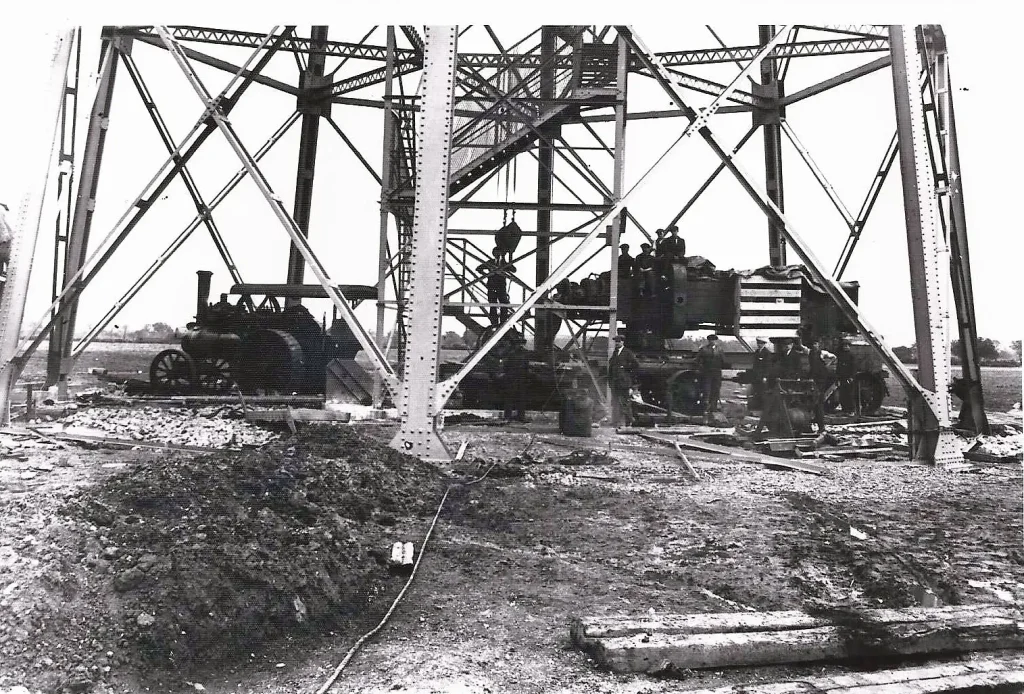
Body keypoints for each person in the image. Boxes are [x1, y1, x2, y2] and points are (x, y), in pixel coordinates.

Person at [608, 334, 639, 427]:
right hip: (615, 382)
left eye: (618, 341)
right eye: (616, 341)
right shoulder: (615, 353)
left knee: (625, 402)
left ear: (622, 342)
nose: (617, 343)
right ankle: (615, 422)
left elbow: (636, 365)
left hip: (624, 382)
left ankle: (629, 421)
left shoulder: (627, 352)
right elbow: (611, 368)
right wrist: (610, 381)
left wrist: (625, 368)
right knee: (615, 402)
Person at [478, 247, 515, 325]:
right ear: (493, 254)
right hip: (492, 286)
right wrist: (487, 274)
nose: (498, 255)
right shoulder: (490, 262)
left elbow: (514, 270)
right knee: (492, 305)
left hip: (501, 287)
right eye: (496, 253)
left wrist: (508, 263)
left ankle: (503, 322)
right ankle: (494, 323)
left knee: (504, 304)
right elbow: (478, 268)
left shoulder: (504, 263)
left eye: (499, 253)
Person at [500, 333, 529, 422]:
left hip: (519, 378)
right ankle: (509, 417)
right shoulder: (512, 354)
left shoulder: (523, 353)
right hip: (513, 378)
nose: (521, 345)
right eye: (519, 343)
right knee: (511, 398)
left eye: (522, 343)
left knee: (520, 398)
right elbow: (506, 366)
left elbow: (526, 366)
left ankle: (519, 416)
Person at [697, 333, 727, 418]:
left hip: (717, 373)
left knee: (716, 390)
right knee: (706, 390)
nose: (712, 342)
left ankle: (713, 408)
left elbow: (724, 361)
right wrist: (702, 368)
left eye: (714, 340)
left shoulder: (720, 350)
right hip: (707, 373)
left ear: (716, 341)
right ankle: (704, 408)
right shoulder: (703, 349)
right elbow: (697, 360)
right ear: (708, 341)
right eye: (711, 340)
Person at [750, 337, 773, 410]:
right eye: (758, 343)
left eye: (760, 343)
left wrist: (765, 376)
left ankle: (763, 408)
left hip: (763, 377)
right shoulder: (757, 352)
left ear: (763, 344)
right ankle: (757, 408)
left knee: (763, 392)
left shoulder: (767, 353)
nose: (759, 345)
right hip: (756, 376)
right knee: (756, 392)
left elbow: (768, 366)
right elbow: (755, 365)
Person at [835, 340, 858, 413]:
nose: (845, 347)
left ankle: (851, 410)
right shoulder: (841, 355)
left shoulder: (852, 355)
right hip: (842, 377)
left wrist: (851, 377)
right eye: (844, 346)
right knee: (842, 394)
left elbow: (854, 367)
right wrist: (837, 376)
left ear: (849, 347)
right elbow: (838, 366)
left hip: (848, 377)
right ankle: (844, 409)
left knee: (849, 394)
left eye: (847, 346)